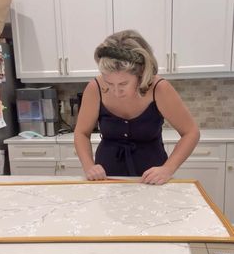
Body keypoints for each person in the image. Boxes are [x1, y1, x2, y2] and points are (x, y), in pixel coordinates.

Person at [74, 29, 200, 184]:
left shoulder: (159, 89)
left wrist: (168, 169)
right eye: (109, 82)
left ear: (141, 74)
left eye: (123, 84)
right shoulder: (95, 88)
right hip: (107, 178)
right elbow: (81, 132)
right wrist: (89, 166)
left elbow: (191, 132)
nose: (116, 91)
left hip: (152, 179)